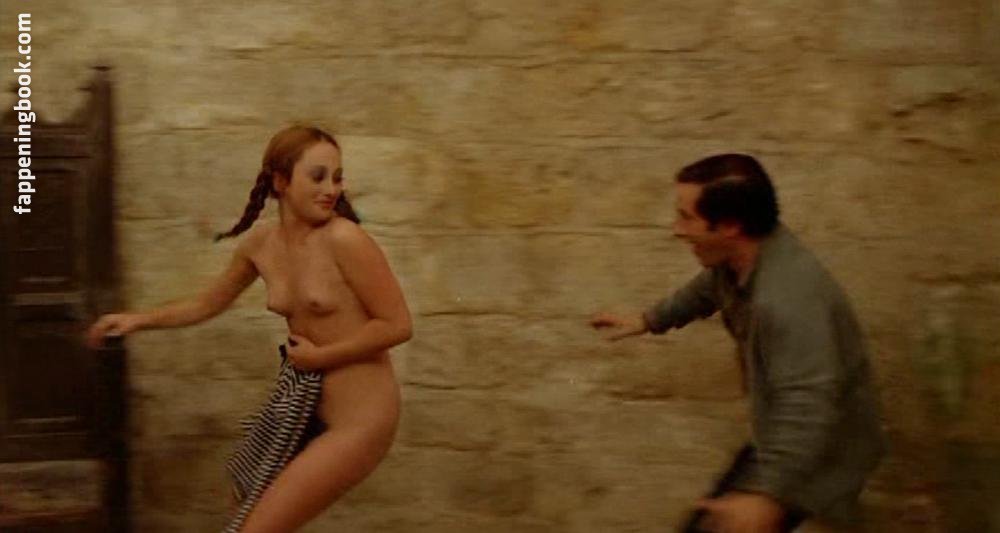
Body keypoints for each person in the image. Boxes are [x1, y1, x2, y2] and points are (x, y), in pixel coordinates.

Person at [86, 125, 412, 532]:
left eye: (337, 177)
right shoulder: (261, 244)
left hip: (361, 418)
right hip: (300, 405)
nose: (332, 189)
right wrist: (136, 320)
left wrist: (321, 357)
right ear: (280, 182)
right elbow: (206, 304)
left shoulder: (345, 239)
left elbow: (397, 325)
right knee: (243, 503)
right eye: (318, 177)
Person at [590, 154, 885, 532]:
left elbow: (807, 406)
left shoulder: (787, 299)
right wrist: (650, 319)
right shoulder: (741, 257)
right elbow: (708, 288)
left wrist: (767, 496)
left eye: (686, 217)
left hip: (817, 448)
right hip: (783, 434)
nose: (676, 229)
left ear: (730, 226)